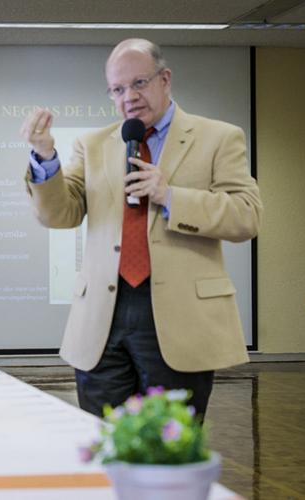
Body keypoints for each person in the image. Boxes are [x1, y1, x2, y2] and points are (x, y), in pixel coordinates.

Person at [20, 39, 262, 419]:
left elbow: (246, 215)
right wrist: (45, 159)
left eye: (139, 83)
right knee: (102, 440)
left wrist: (170, 196)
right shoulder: (94, 144)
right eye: (117, 89)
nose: (128, 97)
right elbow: (60, 215)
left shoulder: (218, 137)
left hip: (179, 317)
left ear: (165, 80)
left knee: (169, 445)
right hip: (103, 317)